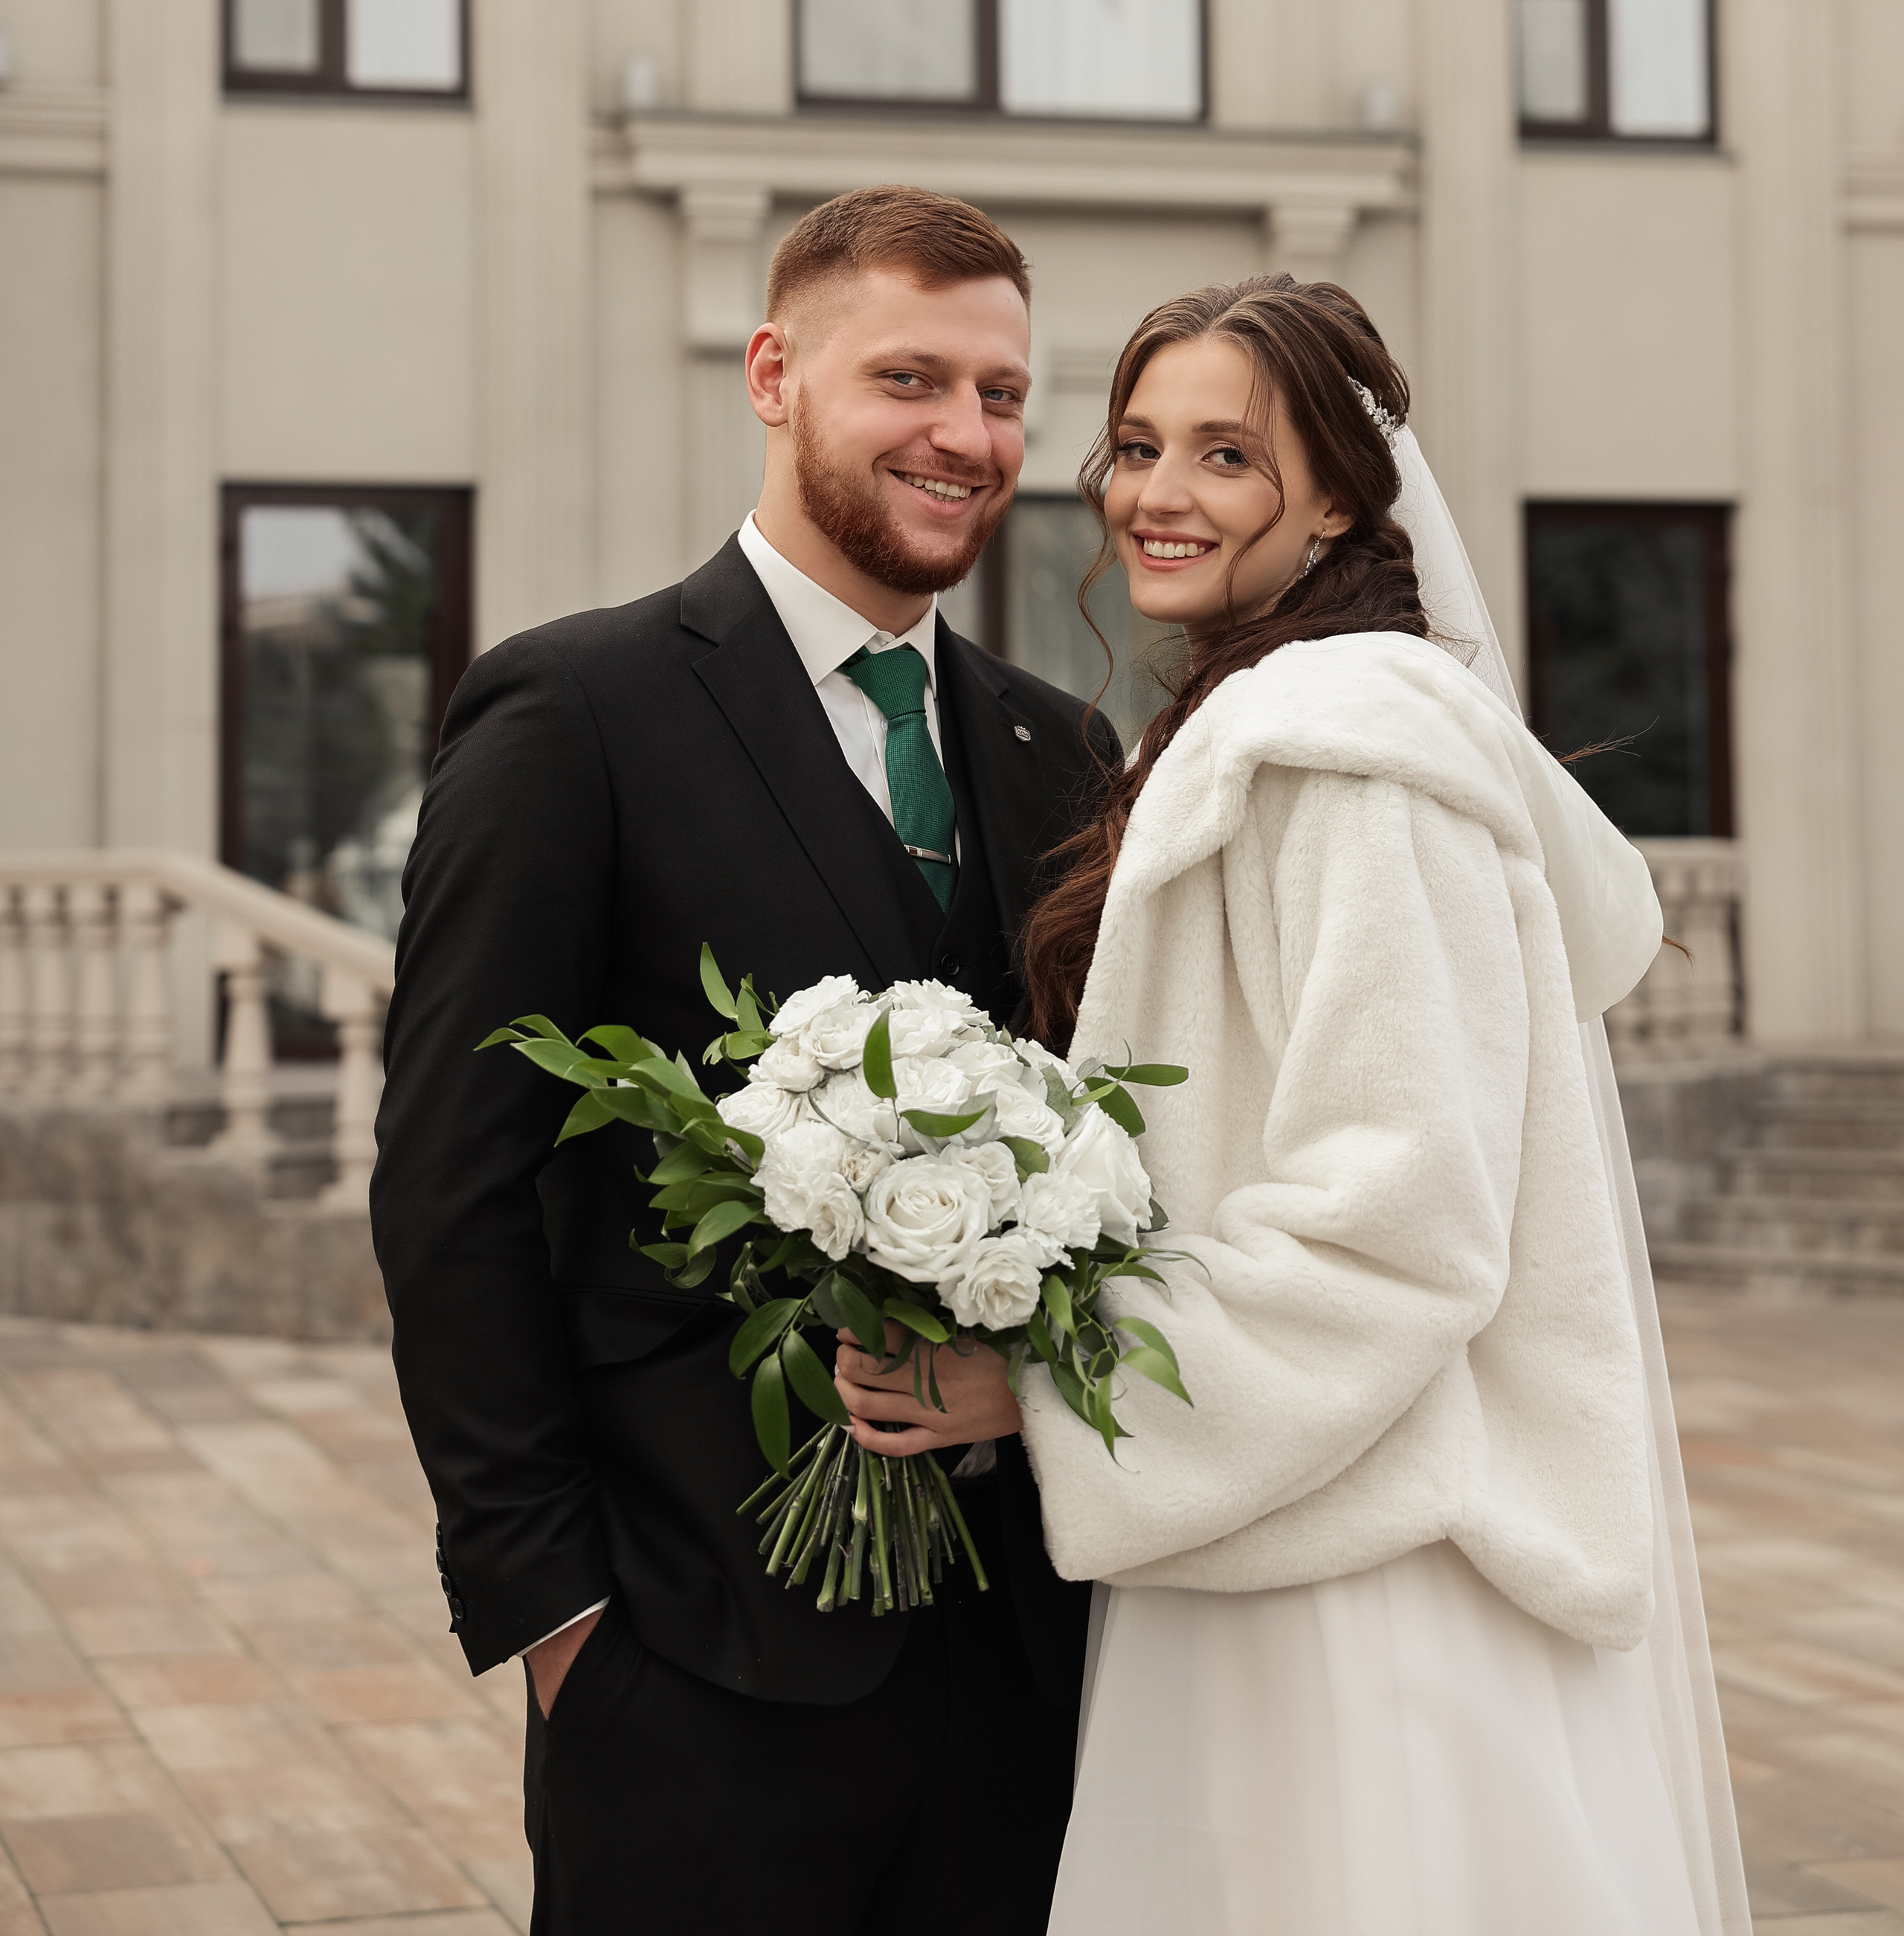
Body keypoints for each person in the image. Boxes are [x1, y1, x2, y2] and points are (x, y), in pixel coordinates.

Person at [833, 274, 1750, 1936]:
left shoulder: (1338, 758)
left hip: (1347, 1591)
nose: (1154, 495)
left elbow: (1399, 1221)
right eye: (1131, 444)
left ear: (1336, 494)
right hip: (1265, 1518)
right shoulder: (1260, 725)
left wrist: (1036, 1389)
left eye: (1224, 457)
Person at [370, 187, 1113, 1936]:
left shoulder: (1055, 745)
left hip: (1026, 1676)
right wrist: (556, 1619)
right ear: (774, 374)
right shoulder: (574, 714)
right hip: (687, 1662)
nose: (966, 435)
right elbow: (450, 1189)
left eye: (1003, 396)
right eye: (910, 378)